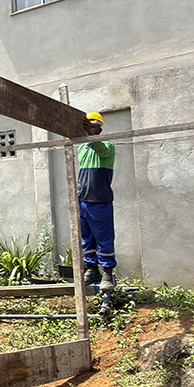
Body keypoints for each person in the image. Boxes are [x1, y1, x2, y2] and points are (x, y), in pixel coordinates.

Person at [77, 111, 117, 292]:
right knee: (87, 238)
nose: (92, 129)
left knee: (103, 237)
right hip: (83, 200)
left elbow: (99, 148)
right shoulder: (82, 148)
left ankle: (107, 272)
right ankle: (91, 269)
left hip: (100, 200)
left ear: (100, 128)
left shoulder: (107, 146)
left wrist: (92, 136)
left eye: (95, 126)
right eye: (89, 126)